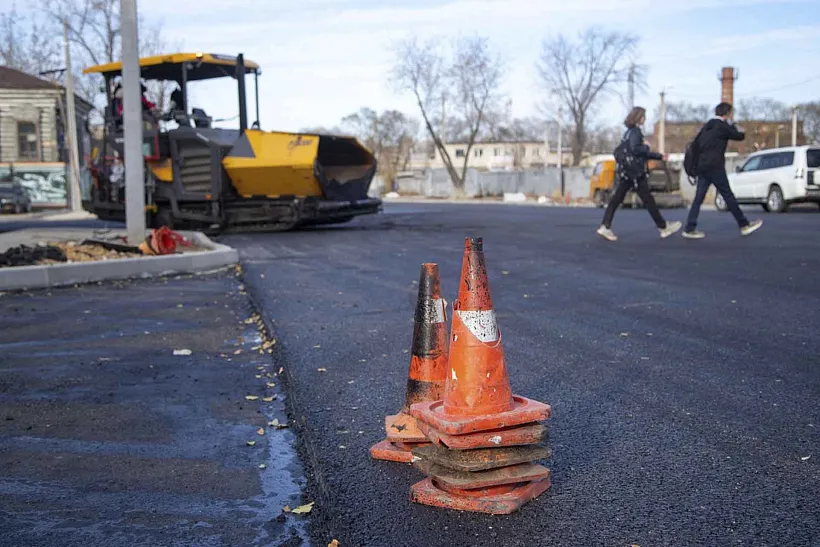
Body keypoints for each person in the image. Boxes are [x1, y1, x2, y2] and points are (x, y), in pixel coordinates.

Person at [597, 106, 682, 242]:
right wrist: (648, 147)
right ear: (638, 118)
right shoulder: (636, 132)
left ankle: (605, 226)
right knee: (647, 199)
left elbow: (633, 151)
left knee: (618, 199)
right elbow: (636, 150)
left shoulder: (628, 133)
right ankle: (663, 227)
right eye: (643, 116)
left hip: (628, 171)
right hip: (635, 172)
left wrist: (657, 155)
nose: (645, 119)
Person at [682, 102, 763, 239]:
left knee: (698, 199)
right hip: (715, 167)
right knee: (728, 195)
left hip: (702, 167)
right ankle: (744, 225)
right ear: (728, 113)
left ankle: (689, 228)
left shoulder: (706, 126)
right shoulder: (722, 126)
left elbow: (695, 146)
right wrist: (734, 125)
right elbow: (740, 136)